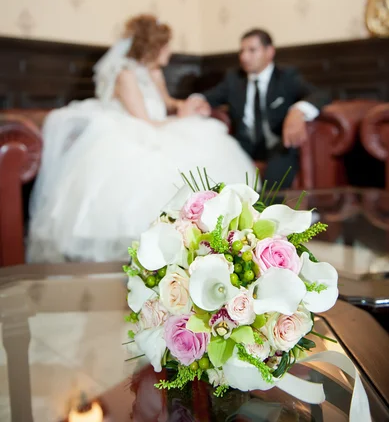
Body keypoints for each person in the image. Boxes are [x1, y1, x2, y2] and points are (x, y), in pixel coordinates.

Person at [27, 15, 256, 263]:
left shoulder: (154, 71)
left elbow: (167, 103)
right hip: (137, 130)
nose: (170, 50)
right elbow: (146, 121)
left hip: (159, 127)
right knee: (156, 170)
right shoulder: (125, 75)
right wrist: (182, 118)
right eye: (166, 45)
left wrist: (190, 105)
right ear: (153, 46)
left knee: (208, 138)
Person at [190, 28, 329, 188]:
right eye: (242, 51)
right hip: (244, 145)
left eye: (252, 50)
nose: (244, 57)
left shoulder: (286, 77)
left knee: (276, 175)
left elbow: (320, 94)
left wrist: (297, 111)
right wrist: (194, 102)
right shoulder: (234, 79)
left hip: (279, 144)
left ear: (269, 52)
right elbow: (208, 96)